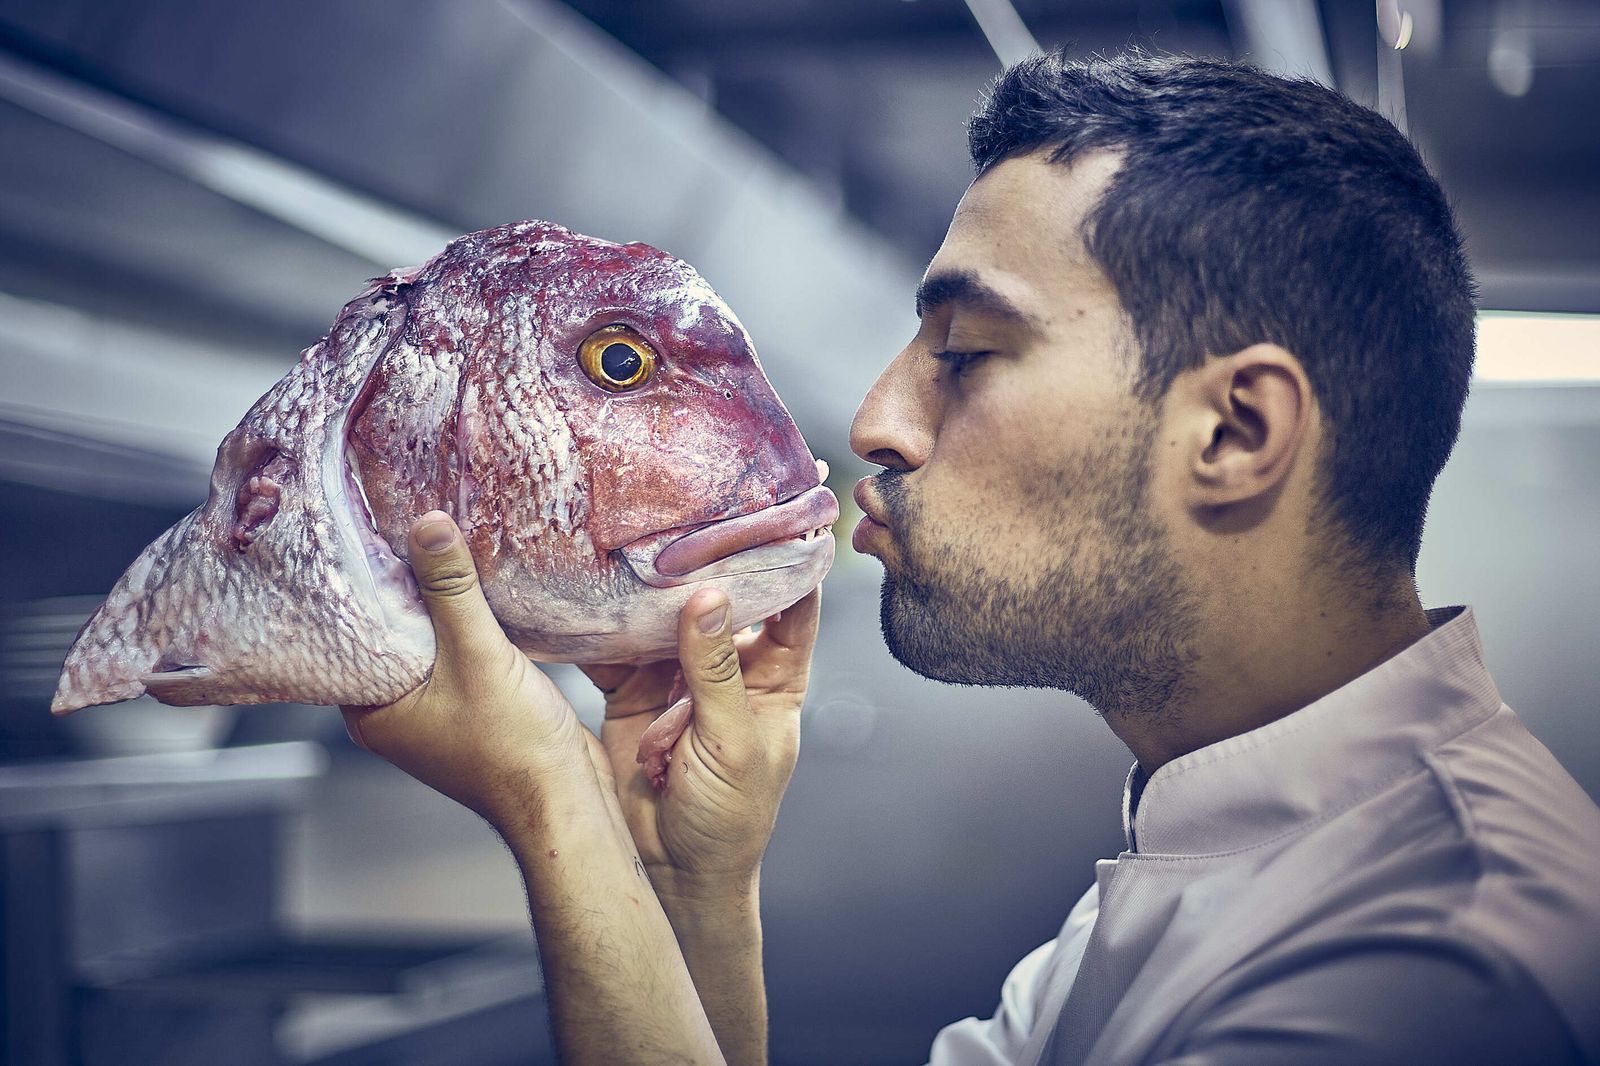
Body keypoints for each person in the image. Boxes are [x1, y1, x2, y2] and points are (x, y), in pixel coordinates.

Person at [339, 50, 1600, 1065]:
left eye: (966, 351)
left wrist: (551, 799)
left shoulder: (1437, 972)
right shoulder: (1225, 846)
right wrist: (684, 890)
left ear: (1235, 432)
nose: (878, 420)